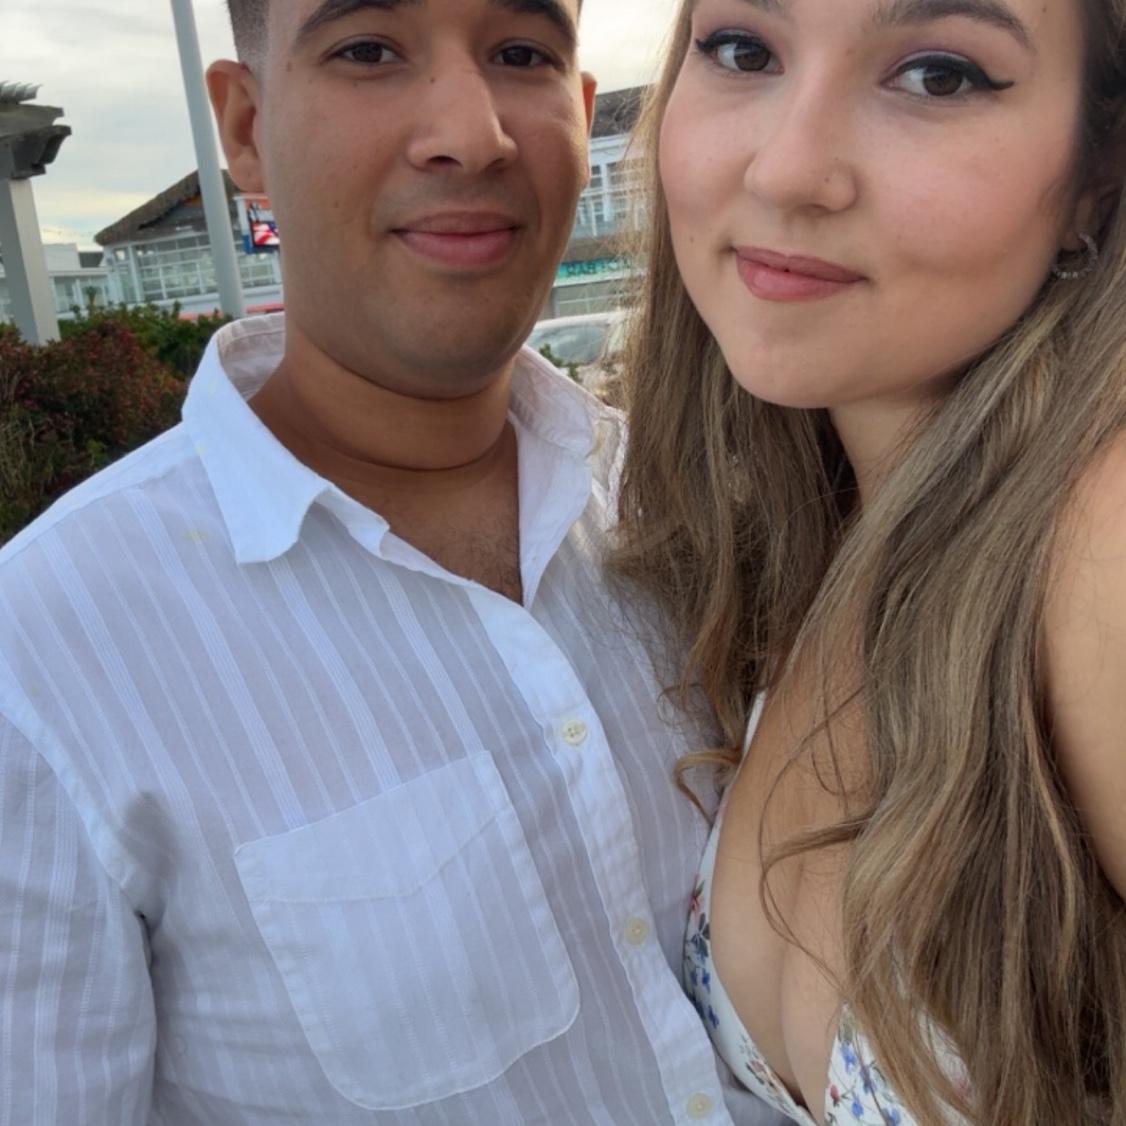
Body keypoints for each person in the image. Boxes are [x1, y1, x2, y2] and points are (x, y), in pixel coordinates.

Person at [0, 2, 789, 1123]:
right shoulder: (42, 667)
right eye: (368, 50)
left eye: (520, 54)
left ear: (579, 114)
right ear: (245, 127)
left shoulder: (696, 519)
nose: (471, 134)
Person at [612, 0, 1126, 1122]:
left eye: (939, 76)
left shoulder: (1100, 535)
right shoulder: (807, 545)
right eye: (743, 50)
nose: (788, 169)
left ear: (1096, 174)